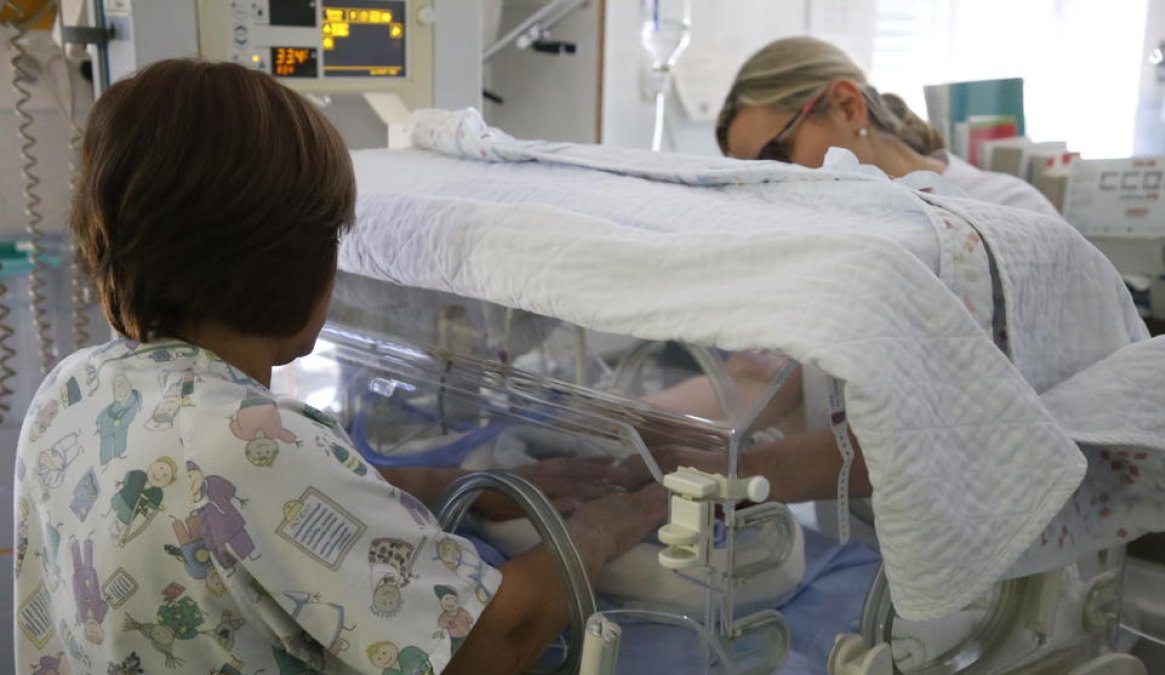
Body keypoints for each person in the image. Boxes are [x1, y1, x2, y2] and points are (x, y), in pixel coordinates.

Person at [14, 58, 665, 675]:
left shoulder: (71, 389)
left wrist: (476, 481)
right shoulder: (244, 440)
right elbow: (495, 639)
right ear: (290, 262)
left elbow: (287, 501)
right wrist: (604, 528)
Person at [716, 36, 1061, 217]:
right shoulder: (821, 228)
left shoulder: (1010, 208)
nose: (775, 183)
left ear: (847, 107)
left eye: (777, 154)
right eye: (758, 175)